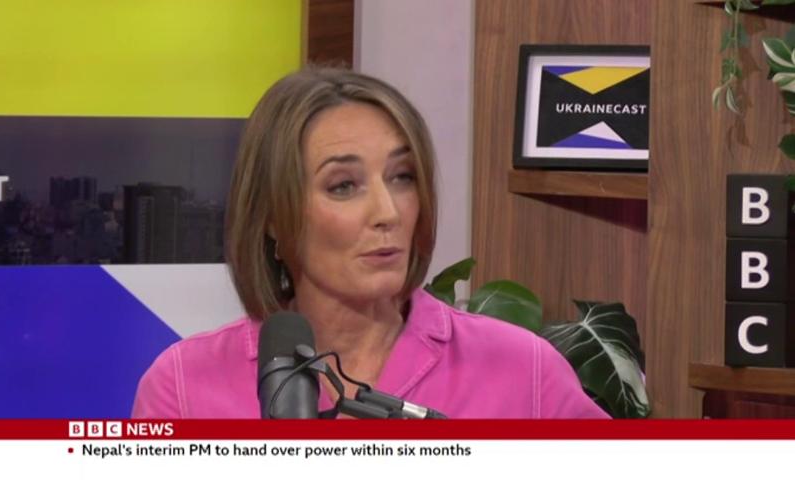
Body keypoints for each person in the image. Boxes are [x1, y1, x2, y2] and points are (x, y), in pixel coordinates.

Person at [132, 67, 608, 419]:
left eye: (402, 177)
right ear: (273, 216)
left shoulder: (523, 370)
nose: (388, 212)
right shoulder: (184, 387)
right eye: (343, 185)